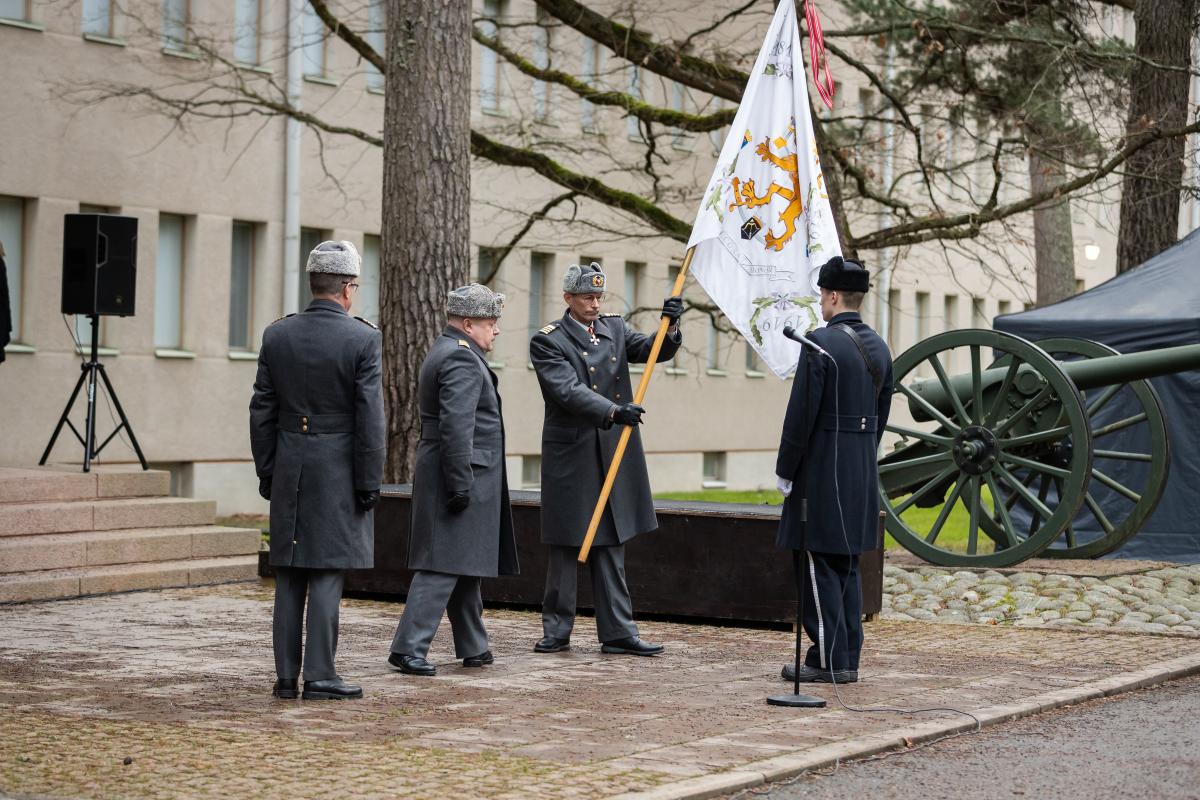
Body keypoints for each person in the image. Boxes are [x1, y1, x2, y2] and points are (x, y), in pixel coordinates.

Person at [249, 240, 385, 700]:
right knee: (326, 572)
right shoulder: (363, 338)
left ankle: (287, 676)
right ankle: (321, 675)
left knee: (289, 573)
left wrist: (268, 469)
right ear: (347, 288)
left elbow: (261, 409)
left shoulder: (277, 335)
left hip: (290, 461)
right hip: (338, 468)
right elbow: (370, 418)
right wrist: (369, 481)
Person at [529, 262, 683, 656]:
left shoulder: (614, 327)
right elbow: (566, 391)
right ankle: (557, 629)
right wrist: (613, 412)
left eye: (599, 297)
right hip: (574, 449)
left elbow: (649, 351)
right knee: (567, 540)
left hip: (613, 447)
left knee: (612, 537)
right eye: (587, 298)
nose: (595, 304)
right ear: (568, 299)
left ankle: (618, 631)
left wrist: (670, 327)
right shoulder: (548, 341)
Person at [388, 283, 519, 677]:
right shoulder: (460, 359)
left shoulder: (452, 351)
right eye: (490, 322)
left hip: (461, 470)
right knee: (442, 563)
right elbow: (456, 427)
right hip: (461, 472)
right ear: (468, 323)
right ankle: (408, 648)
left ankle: (474, 645)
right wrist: (460, 482)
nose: (495, 330)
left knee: (461, 560)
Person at [775, 255, 894, 684]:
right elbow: (881, 414)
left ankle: (825, 659)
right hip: (860, 467)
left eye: (822, 295)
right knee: (845, 565)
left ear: (831, 295)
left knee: (817, 564)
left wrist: (785, 468)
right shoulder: (880, 346)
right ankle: (847, 657)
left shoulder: (819, 343)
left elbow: (801, 415)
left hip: (823, 468)